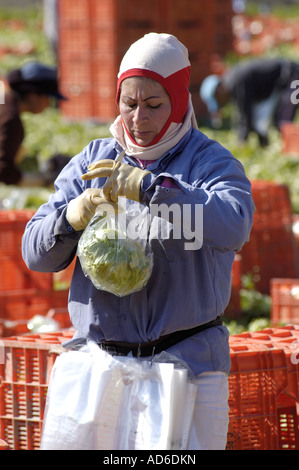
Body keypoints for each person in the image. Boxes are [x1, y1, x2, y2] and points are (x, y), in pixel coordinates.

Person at [22, 33, 254, 450]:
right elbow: (34, 254)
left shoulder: (210, 163)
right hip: (98, 371)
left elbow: (233, 225)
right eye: (129, 103)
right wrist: (70, 218)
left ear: (180, 103)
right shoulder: (94, 161)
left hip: (184, 370)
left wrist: (152, 188)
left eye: (153, 105)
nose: (138, 119)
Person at [200, 58, 299, 146]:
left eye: (219, 101)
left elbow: (245, 114)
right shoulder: (233, 80)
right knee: (277, 122)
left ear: (219, 91)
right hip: (286, 80)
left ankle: (292, 155)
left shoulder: (236, 82)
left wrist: (242, 142)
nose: (222, 105)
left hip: (293, 77)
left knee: (284, 123)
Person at [0, 61, 67, 186]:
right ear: (32, 94)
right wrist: (43, 181)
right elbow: (3, 170)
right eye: (48, 98)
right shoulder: (11, 120)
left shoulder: (3, 100)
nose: (48, 105)